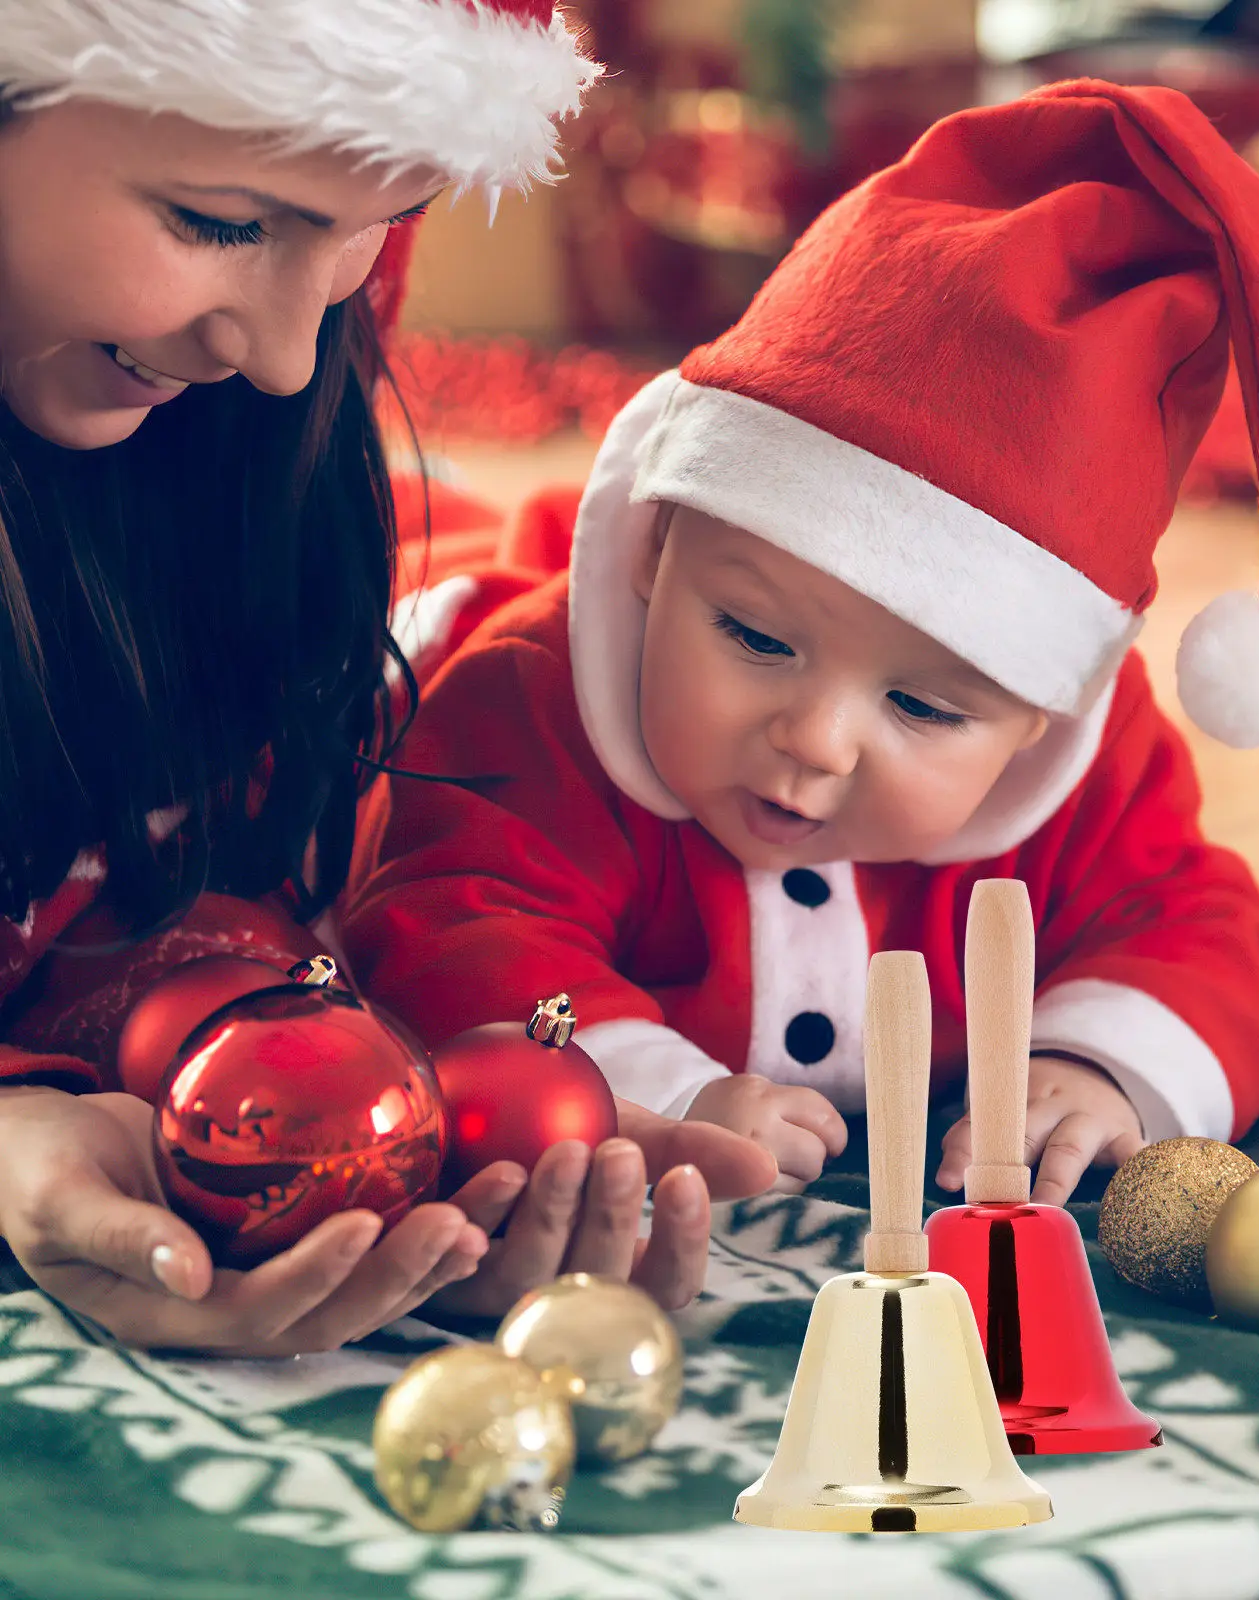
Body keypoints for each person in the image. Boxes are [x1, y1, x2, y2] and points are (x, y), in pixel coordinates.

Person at [340, 80, 1259, 1205]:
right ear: (657, 550)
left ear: (1037, 721)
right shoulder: (533, 700)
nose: (812, 740)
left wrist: (1102, 1064)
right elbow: (449, 926)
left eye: (921, 708)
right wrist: (652, 1087)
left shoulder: (1088, 768)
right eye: (756, 635)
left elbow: (1194, 924)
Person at [0, 0, 774, 1359]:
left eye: (373, 226)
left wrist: (351, 1108)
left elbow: (154, 864)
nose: (292, 359)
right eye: (224, 222)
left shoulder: (218, 458)